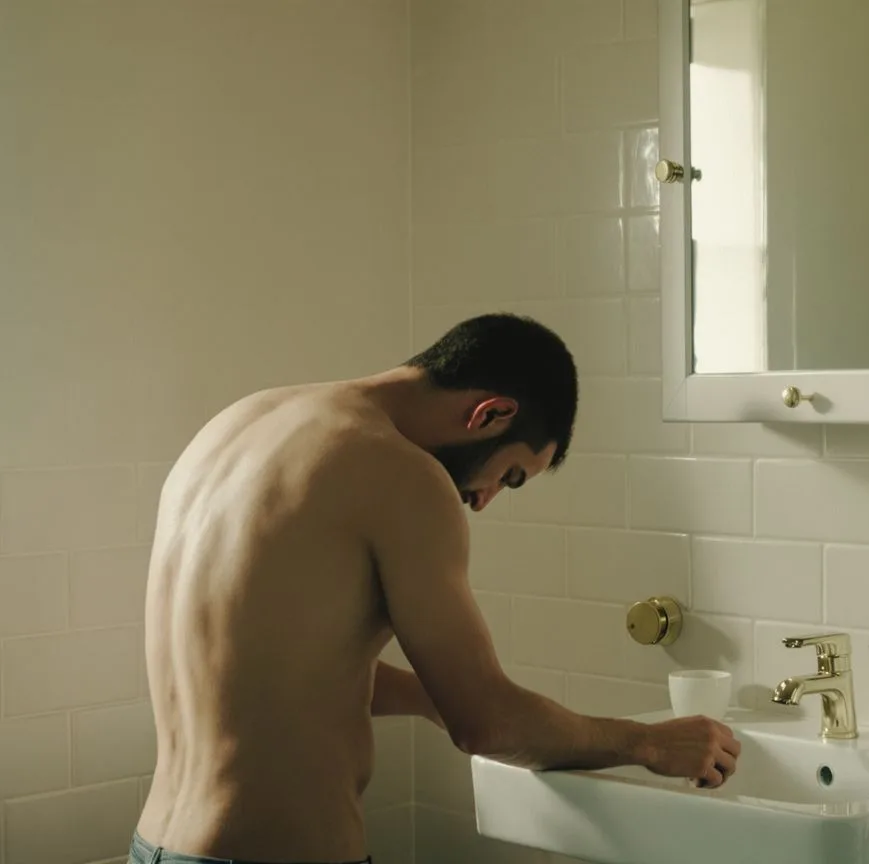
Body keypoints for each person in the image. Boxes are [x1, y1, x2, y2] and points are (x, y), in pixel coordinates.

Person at [130, 314, 741, 864]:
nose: (483, 502)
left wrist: (430, 694)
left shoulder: (240, 425)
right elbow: (487, 725)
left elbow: (266, 668)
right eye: (510, 476)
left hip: (155, 846)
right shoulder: (399, 473)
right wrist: (648, 742)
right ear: (490, 414)